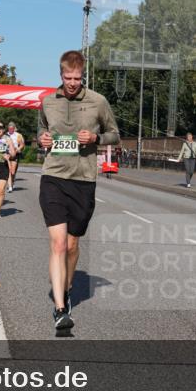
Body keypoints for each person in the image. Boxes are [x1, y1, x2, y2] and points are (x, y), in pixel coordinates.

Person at [38, 50, 119, 332]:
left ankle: (67, 285)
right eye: (67, 77)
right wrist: (42, 138)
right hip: (53, 177)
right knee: (58, 243)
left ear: (83, 76)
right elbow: (42, 131)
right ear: (60, 75)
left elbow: (115, 134)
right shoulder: (48, 101)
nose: (72, 83)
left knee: (72, 246)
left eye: (77, 78)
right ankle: (60, 309)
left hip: (83, 180)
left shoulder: (98, 101)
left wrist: (96, 137)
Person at [6, 122, 25, 192]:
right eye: (9, 128)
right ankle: (10, 186)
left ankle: (12, 182)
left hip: (15, 154)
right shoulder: (5, 135)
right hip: (7, 154)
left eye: (12, 128)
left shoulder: (18, 135)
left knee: (13, 172)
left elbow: (22, 144)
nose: (10, 129)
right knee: (9, 170)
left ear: (14, 128)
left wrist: (18, 149)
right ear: (8, 128)